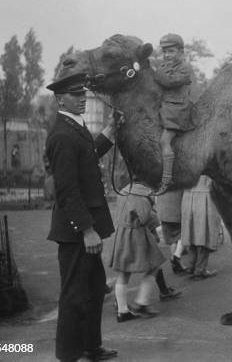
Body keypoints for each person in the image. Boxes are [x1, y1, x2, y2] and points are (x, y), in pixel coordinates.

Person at [45, 73, 119, 362]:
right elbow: (67, 189)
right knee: (74, 294)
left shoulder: (75, 127)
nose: (82, 98)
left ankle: (90, 347)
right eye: (76, 95)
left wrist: (110, 132)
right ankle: (67, 355)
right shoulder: (62, 134)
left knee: (92, 287)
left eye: (84, 94)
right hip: (75, 231)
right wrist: (87, 230)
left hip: (83, 227)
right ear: (61, 99)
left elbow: (87, 157)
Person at [109, 181, 169, 322]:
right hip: (137, 234)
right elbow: (144, 218)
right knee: (154, 266)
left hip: (122, 232)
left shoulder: (123, 190)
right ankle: (142, 302)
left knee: (123, 272)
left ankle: (122, 310)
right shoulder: (145, 194)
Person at [154, 33, 194, 192]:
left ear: (181, 52)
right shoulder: (164, 67)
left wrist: (157, 74)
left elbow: (170, 81)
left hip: (177, 110)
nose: (167, 55)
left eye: (171, 51)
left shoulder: (185, 67)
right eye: (165, 52)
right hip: (165, 108)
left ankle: (167, 180)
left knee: (164, 141)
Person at [181, 176, 221, 280]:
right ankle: (200, 270)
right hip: (205, 198)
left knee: (191, 233)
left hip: (188, 197)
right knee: (205, 233)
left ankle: (191, 266)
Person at [156, 190, 189, 275]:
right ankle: (176, 257)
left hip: (163, 213)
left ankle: (176, 266)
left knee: (172, 239)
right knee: (184, 234)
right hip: (177, 212)